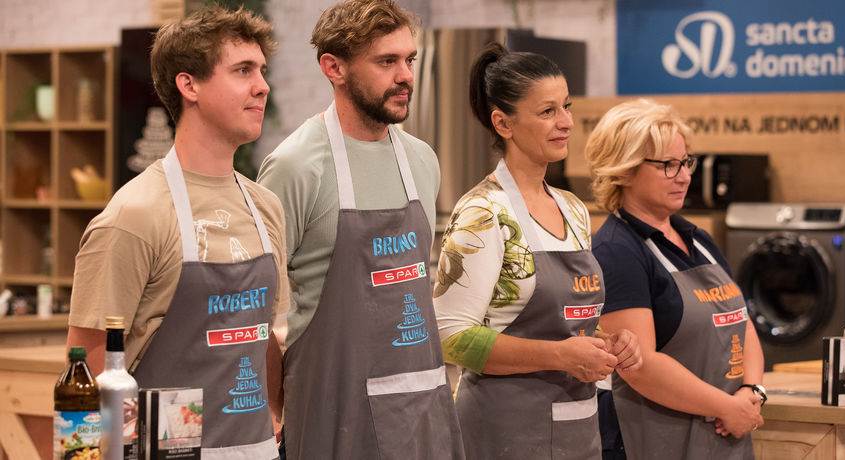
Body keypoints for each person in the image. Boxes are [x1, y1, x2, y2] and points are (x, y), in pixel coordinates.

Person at [66, 7, 286, 458]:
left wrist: (281, 412)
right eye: (243, 70)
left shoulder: (266, 207)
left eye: (262, 70)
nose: (262, 85)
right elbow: (85, 369)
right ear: (189, 85)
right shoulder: (134, 216)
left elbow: (260, 335)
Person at [257, 0, 464, 458]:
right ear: (334, 68)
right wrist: (273, 408)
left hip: (421, 405)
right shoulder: (296, 167)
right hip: (333, 412)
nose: (405, 76)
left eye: (409, 59)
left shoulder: (422, 160)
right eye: (386, 62)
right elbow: (255, 310)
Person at [432, 42, 643, 460]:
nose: (566, 122)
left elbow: (564, 327)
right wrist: (560, 356)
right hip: (503, 432)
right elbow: (450, 336)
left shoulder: (573, 209)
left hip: (576, 428)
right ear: (503, 123)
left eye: (566, 107)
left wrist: (609, 343)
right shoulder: (483, 212)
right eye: (547, 112)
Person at [583, 99, 765, 459]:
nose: (684, 176)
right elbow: (641, 367)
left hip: (724, 434)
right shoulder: (617, 251)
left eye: (686, 162)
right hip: (654, 441)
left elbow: (742, 324)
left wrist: (752, 390)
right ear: (625, 170)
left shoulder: (699, 240)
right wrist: (726, 407)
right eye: (667, 165)